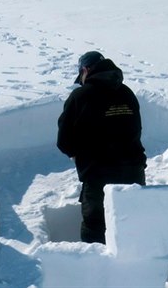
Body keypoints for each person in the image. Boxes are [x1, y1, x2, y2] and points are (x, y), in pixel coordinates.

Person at [57, 51, 147, 244]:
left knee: (96, 231)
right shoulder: (127, 93)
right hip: (134, 172)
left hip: (99, 176)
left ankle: (97, 273)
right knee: (134, 229)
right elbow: (136, 128)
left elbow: (64, 140)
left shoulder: (80, 96)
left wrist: (76, 153)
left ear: (85, 70)